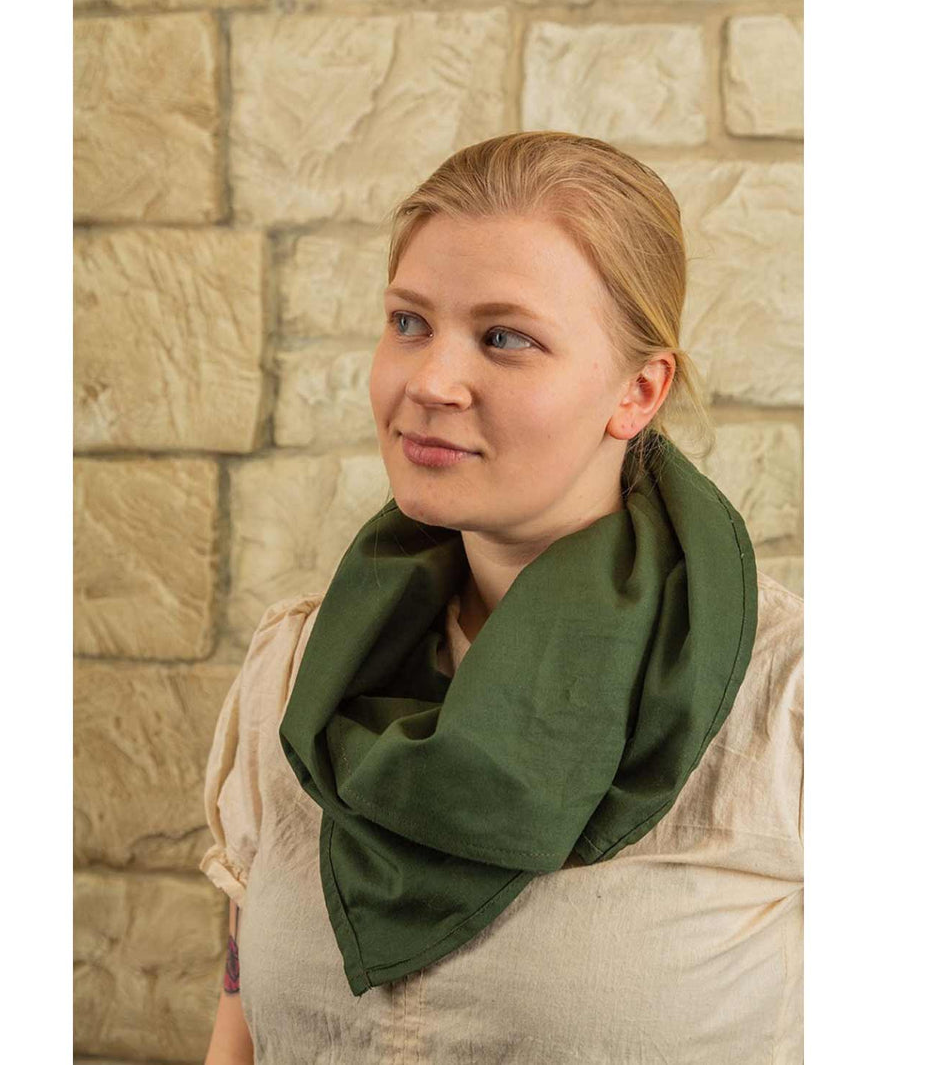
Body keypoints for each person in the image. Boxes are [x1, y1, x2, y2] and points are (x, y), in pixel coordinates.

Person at [202, 131, 803, 1064]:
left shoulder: (788, 698)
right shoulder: (295, 669)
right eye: (409, 322)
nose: (430, 382)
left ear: (639, 391)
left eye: (505, 338)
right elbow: (240, 1032)